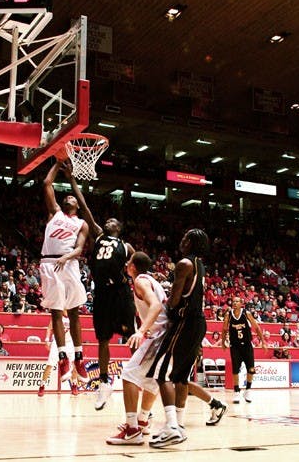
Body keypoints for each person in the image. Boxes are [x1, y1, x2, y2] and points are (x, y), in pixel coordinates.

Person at [65, 162, 136, 411]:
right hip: (102, 294)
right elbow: (84, 206)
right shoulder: (98, 235)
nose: (109, 221)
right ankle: (104, 383)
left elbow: (138, 268)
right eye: (108, 219)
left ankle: (142, 373)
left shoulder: (126, 246)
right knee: (102, 340)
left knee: (132, 337)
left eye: (114, 221)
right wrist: (73, 179)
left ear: (119, 229)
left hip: (120, 292)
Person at [147, 229, 226, 448]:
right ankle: (178, 425)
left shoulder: (184, 264)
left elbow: (173, 302)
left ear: (190, 242)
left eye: (184, 238)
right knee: (180, 377)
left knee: (161, 373)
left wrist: (161, 296)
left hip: (184, 322)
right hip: (198, 323)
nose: (181, 241)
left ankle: (171, 427)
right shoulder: (200, 265)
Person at [106, 251, 169, 445]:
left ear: (132, 267)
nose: (126, 265)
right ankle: (142, 421)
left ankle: (132, 429)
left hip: (158, 336)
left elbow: (156, 306)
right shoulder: (151, 279)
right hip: (167, 335)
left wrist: (142, 330)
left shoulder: (141, 281)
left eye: (128, 263)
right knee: (150, 381)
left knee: (129, 375)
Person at [39, 160, 90, 384]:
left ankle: (78, 356)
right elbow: (47, 183)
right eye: (66, 196)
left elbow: (79, 248)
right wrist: (58, 164)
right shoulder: (55, 213)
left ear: (77, 205)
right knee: (56, 312)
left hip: (68, 264)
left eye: (72, 197)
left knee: (74, 310)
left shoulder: (82, 223)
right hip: (50, 264)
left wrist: (67, 256)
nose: (69, 197)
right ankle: (62, 357)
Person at [222, 296, 266, 404]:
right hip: (235, 346)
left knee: (251, 369)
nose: (235, 303)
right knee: (235, 370)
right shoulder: (229, 315)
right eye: (233, 301)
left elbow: (257, 328)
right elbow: (224, 329)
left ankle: (248, 390)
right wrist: (223, 342)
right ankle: (236, 391)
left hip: (247, 345)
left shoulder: (246, 313)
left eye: (237, 301)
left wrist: (263, 342)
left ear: (241, 303)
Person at [38, 311, 79, 397]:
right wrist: (46, 339)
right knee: (49, 365)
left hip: (69, 342)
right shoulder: (57, 314)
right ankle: (42, 386)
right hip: (57, 342)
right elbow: (49, 328)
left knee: (74, 364)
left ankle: (74, 385)